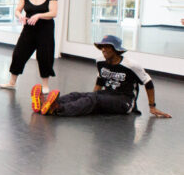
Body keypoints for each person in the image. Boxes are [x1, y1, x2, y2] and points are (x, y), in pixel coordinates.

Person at [31, 35, 171, 118]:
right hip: (107, 94)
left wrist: (152, 107)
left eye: (107, 47)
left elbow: (148, 82)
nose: (103, 49)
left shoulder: (131, 65)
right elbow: (100, 80)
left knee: (93, 97)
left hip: (125, 101)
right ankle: (46, 103)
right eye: (102, 47)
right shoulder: (100, 61)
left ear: (115, 50)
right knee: (79, 94)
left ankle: (57, 109)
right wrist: (88, 98)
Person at [0, 0, 57, 93]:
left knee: (44, 57)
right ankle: (12, 82)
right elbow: (17, 10)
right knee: (18, 54)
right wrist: (20, 16)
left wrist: (39, 15)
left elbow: (53, 13)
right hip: (29, 30)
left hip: (45, 30)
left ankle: (45, 85)